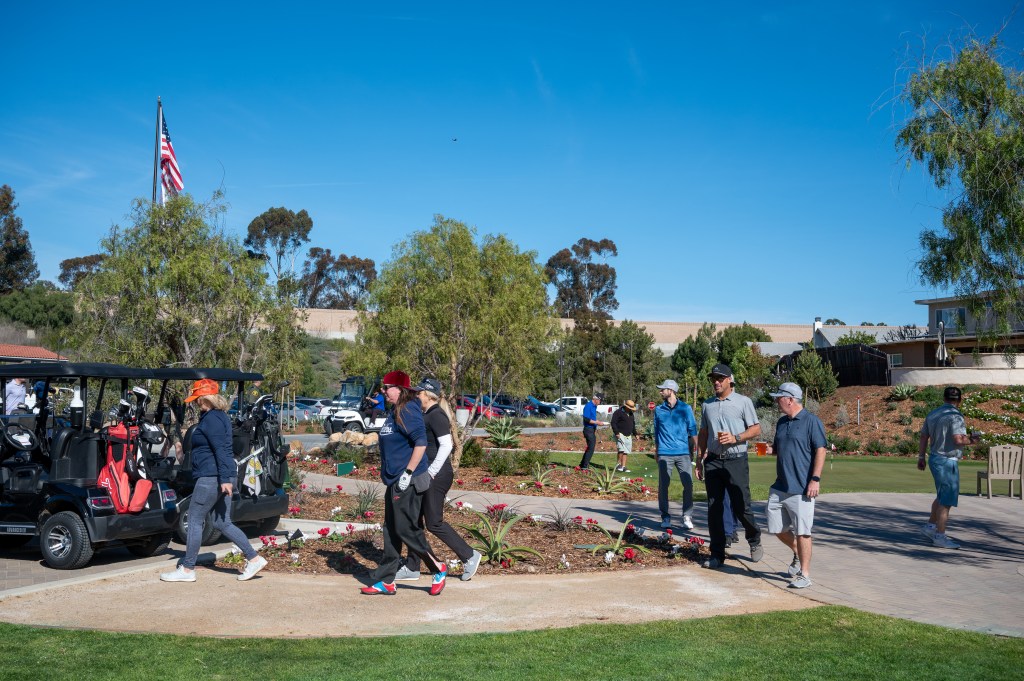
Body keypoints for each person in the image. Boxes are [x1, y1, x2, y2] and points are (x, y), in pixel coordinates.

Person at [161, 379, 267, 583]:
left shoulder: (212, 419)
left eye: (197, 399)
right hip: (218, 476)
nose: (195, 403)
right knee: (221, 522)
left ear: (205, 398)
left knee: (194, 519)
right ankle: (254, 559)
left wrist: (225, 479)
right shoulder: (217, 417)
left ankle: (187, 569)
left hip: (212, 477)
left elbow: (222, 450)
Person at [360, 370, 448, 596]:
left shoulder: (408, 409)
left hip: (408, 480)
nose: (383, 391)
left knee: (405, 528)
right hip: (395, 480)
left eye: (387, 387)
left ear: (400, 389)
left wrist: (408, 472)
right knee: (391, 529)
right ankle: (387, 580)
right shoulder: (395, 410)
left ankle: (437, 567)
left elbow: (420, 443)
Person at [395, 378, 483, 583]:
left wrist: (431, 472)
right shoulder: (426, 414)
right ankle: (412, 566)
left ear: (428, 395)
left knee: (434, 522)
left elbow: (447, 445)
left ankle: (469, 555)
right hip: (426, 473)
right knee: (414, 520)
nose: (415, 396)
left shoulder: (436, 415)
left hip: (437, 475)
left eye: (419, 393)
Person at [696, 363, 763, 569]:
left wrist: (736, 438)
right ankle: (717, 554)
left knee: (742, 506)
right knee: (714, 508)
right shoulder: (707, 405)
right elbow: (704, 433)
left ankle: (754, 538)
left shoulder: (743, 402)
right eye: (713, 379)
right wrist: (699, 461)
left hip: (736, 460)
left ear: (729, 380)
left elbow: (756, 429)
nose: (716, 382)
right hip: (713, 461)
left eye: (719, 378)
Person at [767, 382, 826, 589]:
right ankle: (796, 551)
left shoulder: (812, 421)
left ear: (790, 399)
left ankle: (805, 575)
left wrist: (815, 479)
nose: (777, 401)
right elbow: (778, 449)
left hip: (802, 488)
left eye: (779, 398)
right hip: (780, 486)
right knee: (775, 527)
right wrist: (769, 450)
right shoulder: (782, 422)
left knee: (803, 532)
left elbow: (821, 450)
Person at [919, 386, 978, 549]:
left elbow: (924, 436)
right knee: (946, 501)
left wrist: (921, 457)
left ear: (944, 398)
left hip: (935, 458)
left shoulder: (933, 413)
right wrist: (972, 440)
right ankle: (940, 536)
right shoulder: (956, 416)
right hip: (947, 461)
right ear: (960, 400)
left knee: (941, 496)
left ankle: (930, 527)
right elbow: (958, 440)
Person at [653, 380, 698, 530]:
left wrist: (698, 450)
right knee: (663, 486)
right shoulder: (658, 410)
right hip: (664, 453)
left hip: (683, 453)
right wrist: (656, 451)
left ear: (671, 390)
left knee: (688, 484)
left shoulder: (685, 408)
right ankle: (665, 517)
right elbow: (656, 432)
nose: (661, 391)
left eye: (663, 389)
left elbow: (692, 429)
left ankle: (687, 516)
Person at [579, 393, 609, 470]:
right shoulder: (588, 406)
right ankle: (584, 466)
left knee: (590, 448)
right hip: (588, 430)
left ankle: (582, 464)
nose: (600, 402)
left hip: (592, 430)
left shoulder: (594, 406)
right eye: (600, 401)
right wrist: (597, 422)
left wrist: (597, 422)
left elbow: (591, 418)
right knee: (591, 448)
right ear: (596, 399)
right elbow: (586, 419)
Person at [610, 400, 638, 473]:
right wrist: (616, 432)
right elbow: (613, 422)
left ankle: (623, 466)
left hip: (628, 434)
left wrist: (635, 434)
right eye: (630, 408)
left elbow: (633, 424)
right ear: (626, 407)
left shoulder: (631, 413)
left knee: (626, 451)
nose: (631, 409)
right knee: (621, 449)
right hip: (620, 433)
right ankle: (618, 465)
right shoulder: (618, 412)